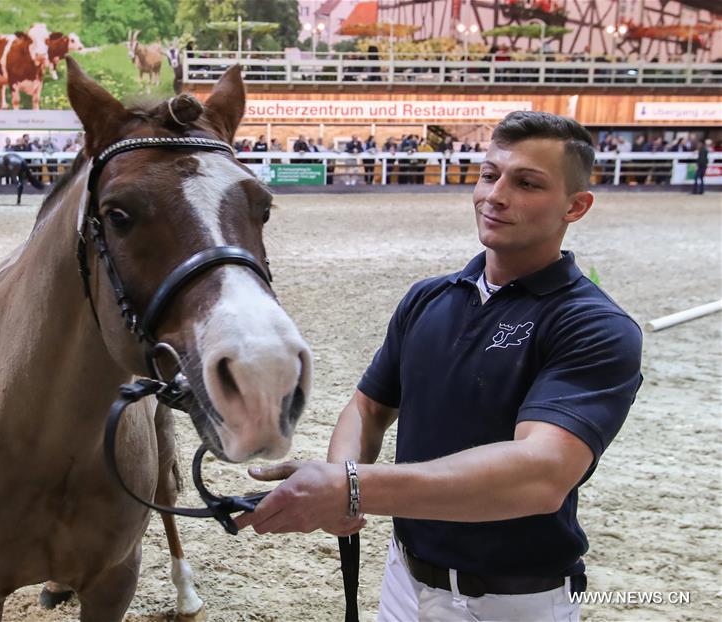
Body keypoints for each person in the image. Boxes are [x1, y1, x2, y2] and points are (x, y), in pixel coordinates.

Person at [234, 111, 643, 622]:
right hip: (405, 577)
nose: (495, 195)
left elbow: (541, 475)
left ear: (576, 206)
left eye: (527, 183)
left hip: (513, 601)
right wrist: (345, 478)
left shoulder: (594, 325)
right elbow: (368, 405)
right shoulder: (429, 298)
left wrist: (355, 486)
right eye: (490, 174)